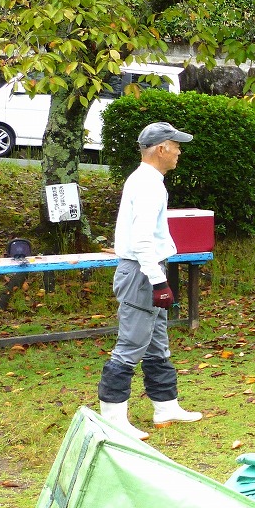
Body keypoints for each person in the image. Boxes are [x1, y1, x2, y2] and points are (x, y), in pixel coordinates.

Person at [97, 121, 202, 440]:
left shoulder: (149, 180)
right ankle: (113, 419)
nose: (179, 152)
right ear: (162, 148)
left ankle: (165, 406)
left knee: (157, 343)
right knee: (130, 345)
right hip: (142, 272)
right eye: (176, 146)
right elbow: (142, 240)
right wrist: (158, 282)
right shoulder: (147, 184)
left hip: (148, 269)